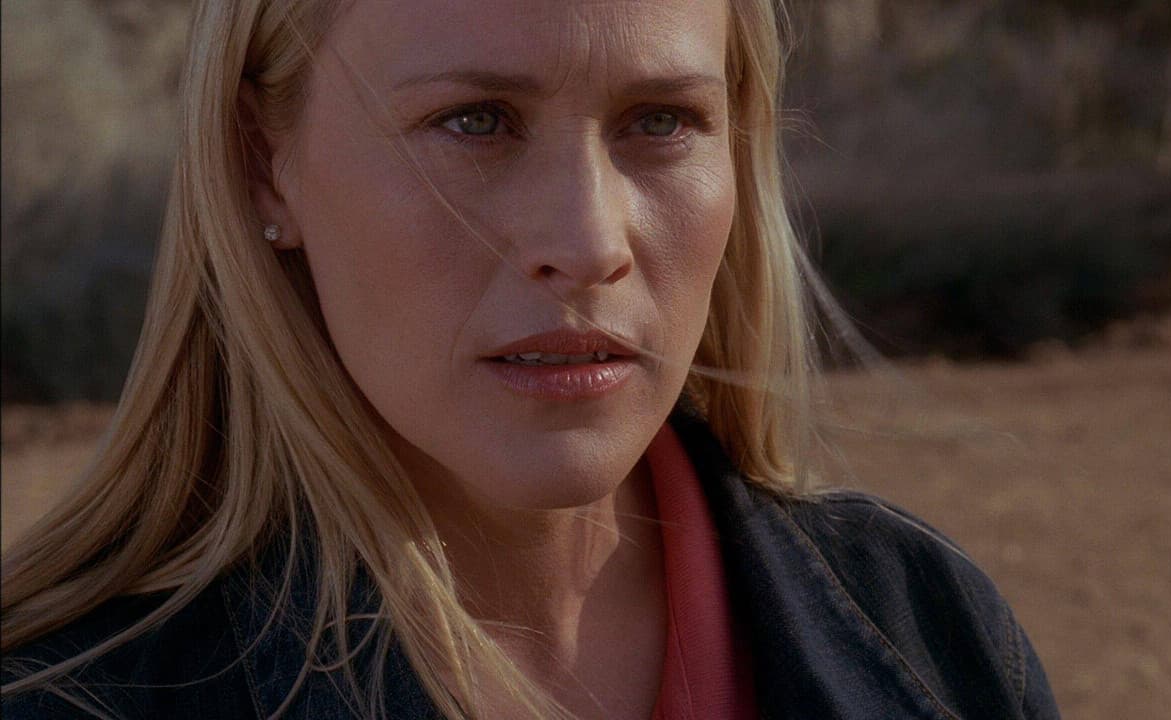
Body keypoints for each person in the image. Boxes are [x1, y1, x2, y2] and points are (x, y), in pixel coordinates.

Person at [1, 1, 1060, 718]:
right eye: (475, 122)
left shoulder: (927, 628)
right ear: (262, 167)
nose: (589, 241)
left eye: (660, 120)